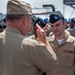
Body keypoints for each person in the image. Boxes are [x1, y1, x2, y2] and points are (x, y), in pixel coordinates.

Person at [0, 0, 58, 75]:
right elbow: (54, 67)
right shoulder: (31, 46)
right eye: (31, 19)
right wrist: (44, 41)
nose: (31, 22)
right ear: (25, 20)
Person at [38, 11, 75, 75]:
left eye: (57, 25)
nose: (54, 28)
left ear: (65, 24)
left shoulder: (73, 43)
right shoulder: (46, 42)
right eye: (52, 26)